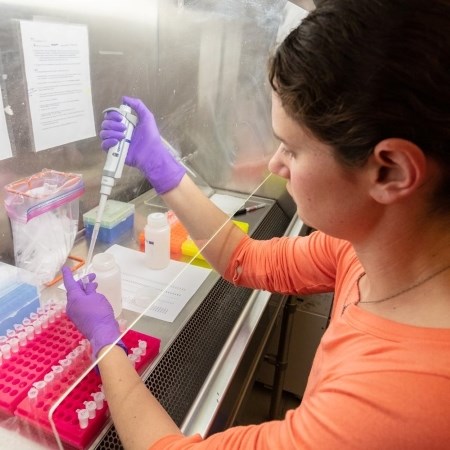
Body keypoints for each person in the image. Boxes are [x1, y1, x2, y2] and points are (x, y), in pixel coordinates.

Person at [62, 0, 450, 448]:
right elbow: (244, 258)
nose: (274, 163)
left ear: (391, 171)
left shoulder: (397, 399)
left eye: (292, 148)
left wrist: (107, 345)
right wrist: (162, 167)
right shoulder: (367, 251)